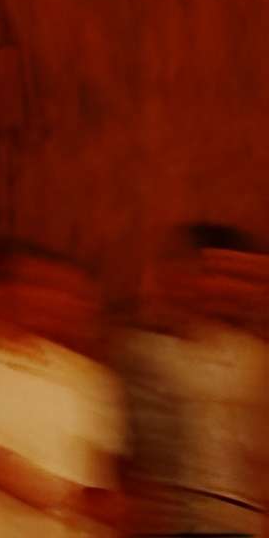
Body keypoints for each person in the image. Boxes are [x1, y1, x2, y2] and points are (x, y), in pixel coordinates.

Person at [0, 241, 125, 538]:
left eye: (54, 288)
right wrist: (71, 500)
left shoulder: (86, 376)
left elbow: (101, 479)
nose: (45, 298)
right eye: (34, 284)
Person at [117, 225, 269, 538]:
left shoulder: (256, 359)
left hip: (244, 520)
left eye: (241, 278)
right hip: (174, 518)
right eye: (214, 273)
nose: (225, 287)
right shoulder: (146, 353)